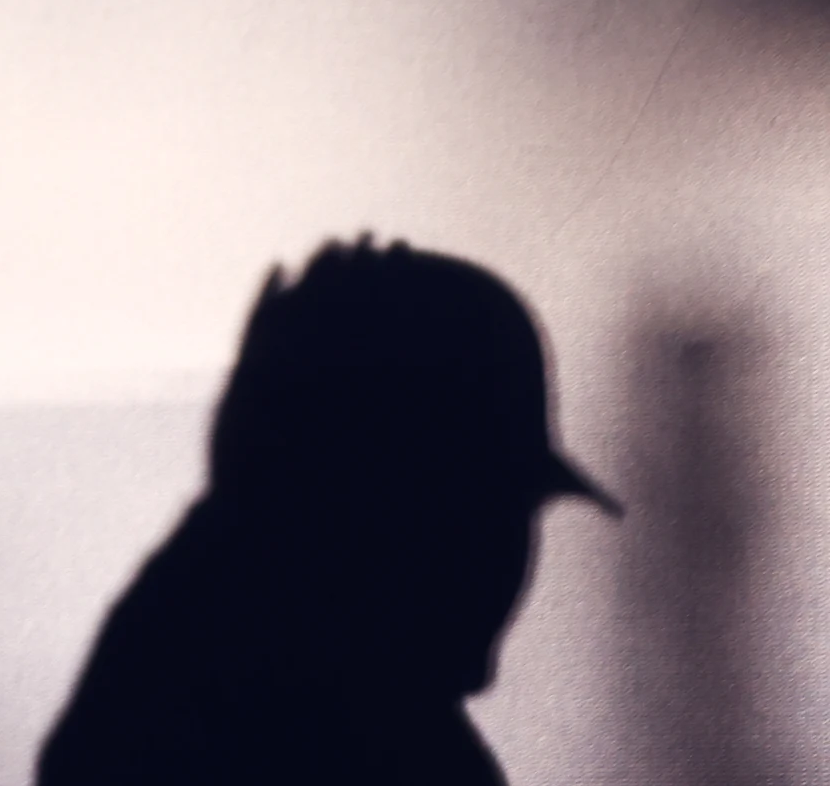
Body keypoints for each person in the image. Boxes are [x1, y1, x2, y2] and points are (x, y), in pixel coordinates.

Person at [36, 238, 618, 786]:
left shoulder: (173, 669)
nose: (509, 565)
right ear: (373, 514)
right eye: (483, 517)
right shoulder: (373, 741)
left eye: (518, 516)